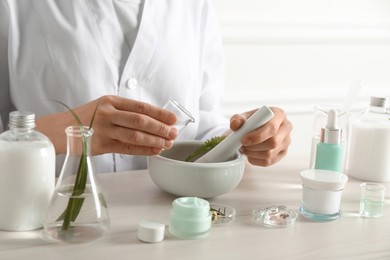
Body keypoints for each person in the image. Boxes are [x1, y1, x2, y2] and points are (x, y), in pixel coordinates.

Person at [0, 0, 292, 173]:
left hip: (174, 223)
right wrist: (67, 132)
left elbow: (200, 124)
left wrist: (245, 137)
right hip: (51, 221)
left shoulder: (192, 6)